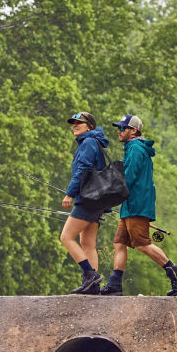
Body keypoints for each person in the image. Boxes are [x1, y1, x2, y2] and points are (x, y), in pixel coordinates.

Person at [99, 114, 177, 297]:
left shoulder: (135, 148)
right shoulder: (133, 148)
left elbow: (129, 178)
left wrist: (106, 195)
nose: (119, 130)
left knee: (142, 244)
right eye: (119, 127)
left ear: (133, 131)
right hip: (130, 206)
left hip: (136, 205)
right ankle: (115, 284)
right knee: (119, 242)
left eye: (123, 128)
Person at [60, 111, 110, 295]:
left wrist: (69, 193)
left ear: (89, 126)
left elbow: (83, 169)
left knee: (66, 237)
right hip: (96, 200)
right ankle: (93, 287)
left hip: (88, 200)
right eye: (73, 122)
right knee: (87, 243)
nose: (74, 125)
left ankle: (90, 275)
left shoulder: (88, 142)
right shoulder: (91, 142)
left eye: (79, 122)